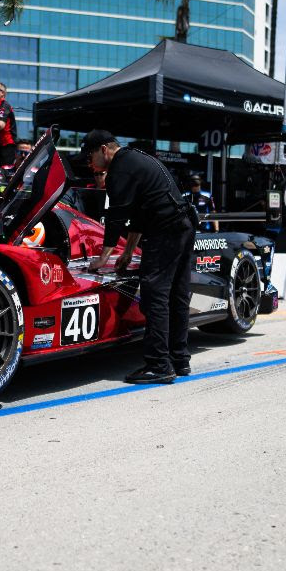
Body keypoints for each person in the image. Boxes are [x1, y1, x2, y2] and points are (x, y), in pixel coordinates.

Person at [83, 129, 194, 385]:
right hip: (183, 226)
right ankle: (179, 359)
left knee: (155, 295)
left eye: (90, 156)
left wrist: (103, 258)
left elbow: (116, 217)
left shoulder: (119, 169)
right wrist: (130, 251)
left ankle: (158, 365)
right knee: (177, 295)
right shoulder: (136, 158)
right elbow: (141, 215)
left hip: (166, 230)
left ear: (104, 149)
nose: (89, 163)